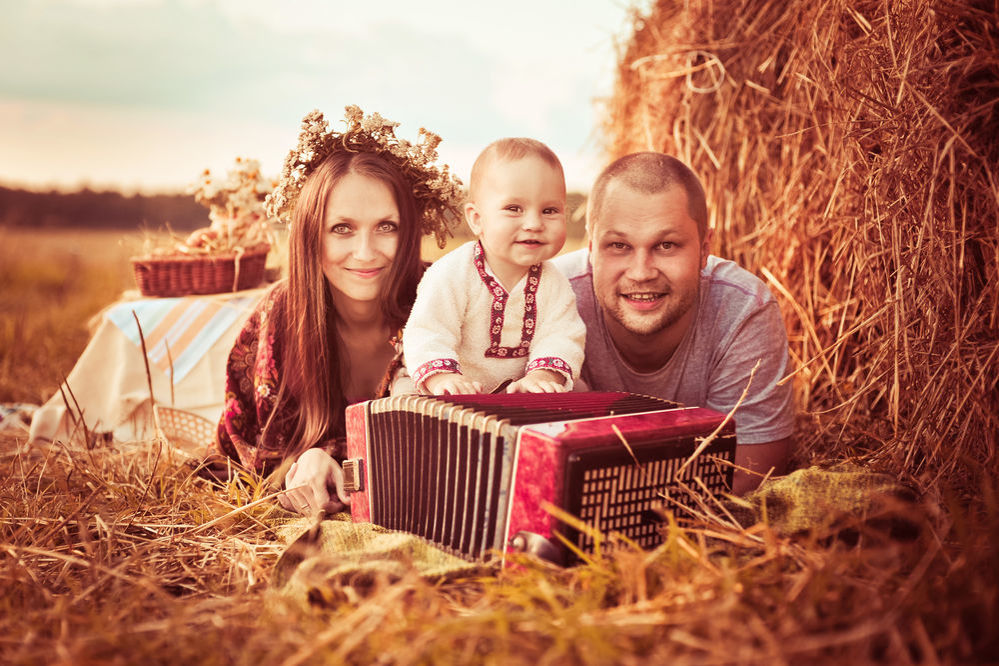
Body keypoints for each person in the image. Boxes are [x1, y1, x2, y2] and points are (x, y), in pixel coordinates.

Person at [210, 107, 462, 515]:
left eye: (386, 226)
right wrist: (302, 462)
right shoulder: (280, 315)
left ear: (410, 230)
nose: (365, 253)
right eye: (342, 228)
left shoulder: (448, 298)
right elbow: (252, 445)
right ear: (311, 234)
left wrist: (338, 463)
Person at [552, 152, 794, 494]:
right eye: (618, 245)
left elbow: (747, 476)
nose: (641, 272)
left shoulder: (742, 309)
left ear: (705, 247)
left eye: (666, 245)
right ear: (592, 247)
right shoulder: (552, 298)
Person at [400, 138, 585, 395]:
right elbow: (429, 330)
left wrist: (543, 375)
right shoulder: (452, 274)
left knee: (579, 388)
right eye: (513, 208)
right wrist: (443, 378)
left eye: (550, 210)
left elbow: (562, 336)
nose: (533, 223)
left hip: (518, 394)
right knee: (404, 391)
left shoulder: (554, 283)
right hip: (451, 390)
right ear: (477, 219)